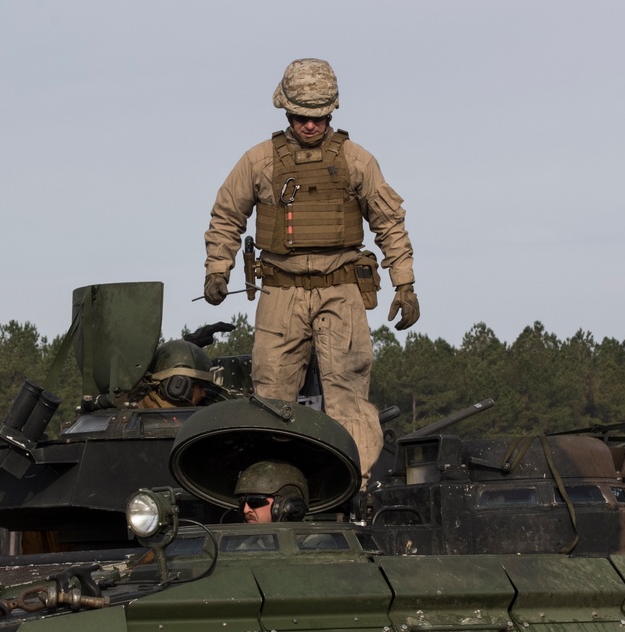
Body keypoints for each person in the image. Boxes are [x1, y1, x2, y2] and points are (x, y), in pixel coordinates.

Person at [203, 58, 420, 484]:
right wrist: (217, 270)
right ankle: (276, 487)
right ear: (286, 112)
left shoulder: (356, 161)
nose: (309, 125)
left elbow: (389, 221)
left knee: (349, 396)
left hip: (341, 288)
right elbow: (227, 215)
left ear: (332, 111)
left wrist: (405, 284)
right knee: (271, 398)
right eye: (302, 117)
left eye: (318, 117)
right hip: (280, 292)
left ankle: (353, 487)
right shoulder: (259, 161)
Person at [132, 339, 216, 408]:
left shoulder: (144, 408)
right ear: (178, 385)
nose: (203, 394)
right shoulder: (162, 422)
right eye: (200, 387)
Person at [235, 460, 309, 523]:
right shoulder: (247, 540)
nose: (245, 510)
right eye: (242, 502)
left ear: (287, 506)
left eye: (254, 501)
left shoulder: (316, 540)